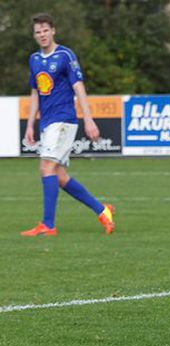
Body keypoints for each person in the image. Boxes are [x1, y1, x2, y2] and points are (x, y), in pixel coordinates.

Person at [21, 13, 114, 237]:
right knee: (59, 176)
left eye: (45, 30)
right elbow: (35, 93)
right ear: (34, 36)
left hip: (63, 120)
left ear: (53, 31)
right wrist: (30, 124)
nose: (42, 35)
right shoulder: (34, 59)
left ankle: (48, 225)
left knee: (45, 168)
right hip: (47, 122)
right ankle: (102, 211)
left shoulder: (65, 55)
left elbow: (78, 87)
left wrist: (88, 119)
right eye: (38, 32)